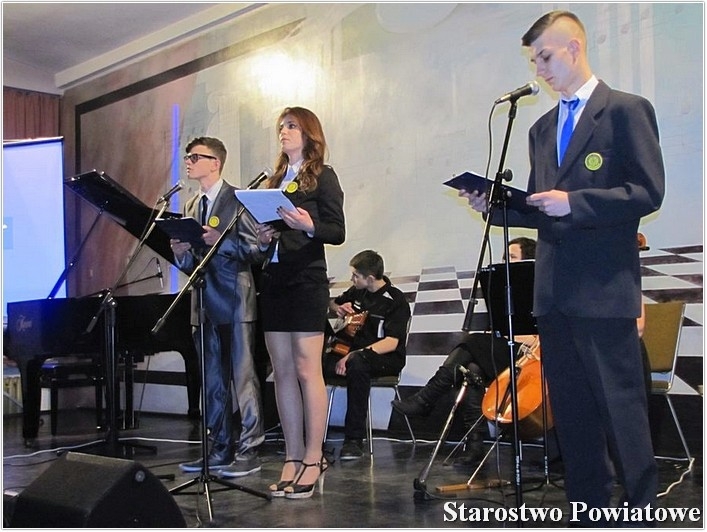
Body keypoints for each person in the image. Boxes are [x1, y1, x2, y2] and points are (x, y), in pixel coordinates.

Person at [462, 11, 665, 525]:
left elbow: (647, 191)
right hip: (553, 294)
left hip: (603, 289)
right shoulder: (541, 128)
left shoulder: (625, 110)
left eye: (545, 57)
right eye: (534, 61)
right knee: (572, 417)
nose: (539, 70)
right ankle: (586, 511)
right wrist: (496, 206)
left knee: (621, 410)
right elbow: (540, 207)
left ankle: (642, 511)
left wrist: (575, 202)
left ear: (574, 48)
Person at [256, 107, 345, 499]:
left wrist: (307, 224)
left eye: (291, 126)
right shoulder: (273, 181)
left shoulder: (324, 176)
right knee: (282, 371)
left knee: (309, 370)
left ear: (309, 133)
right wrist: (262, 238)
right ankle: (291, 456)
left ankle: (313, 456)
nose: (284, 131)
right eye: (281, 127)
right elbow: (266, 235)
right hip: (274, 280)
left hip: (306, 280)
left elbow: (337, 231)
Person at [391, 237, 537, 467]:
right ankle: (475, 445)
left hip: (531, 359)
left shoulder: (538, 291)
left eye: (512, 258)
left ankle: (426, 399)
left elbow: (540, 336)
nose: (505, 263)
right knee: (472, 369)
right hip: (506, 353)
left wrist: (512, 337)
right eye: (504, 258)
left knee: (472, 341)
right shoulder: (502, 293)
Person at [170, 137, 266, 477]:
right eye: (187, 157)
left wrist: (220, 242)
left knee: (243, 380)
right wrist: (180, 253)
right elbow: (191, 264)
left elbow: (256, 251)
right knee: (212, 382)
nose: (189, 162)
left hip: (235, 300)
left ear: (216, 162)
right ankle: (220, 448)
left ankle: (250, 448)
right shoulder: (191, 205)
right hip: (203, 303)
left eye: (196, 157)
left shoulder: (239, 200)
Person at [323, 250, 412, 460]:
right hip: (351, 353)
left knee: (358, 363)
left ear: (370, 278)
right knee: (316, 362)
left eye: (356, 276)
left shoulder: (396, 300)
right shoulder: (357, 291)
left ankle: (354, 439)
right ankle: (311, 435)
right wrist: (339, 308)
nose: (352, 279)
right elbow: (333, 303)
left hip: (385, 357)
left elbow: (392, 342)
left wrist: (354, 355)